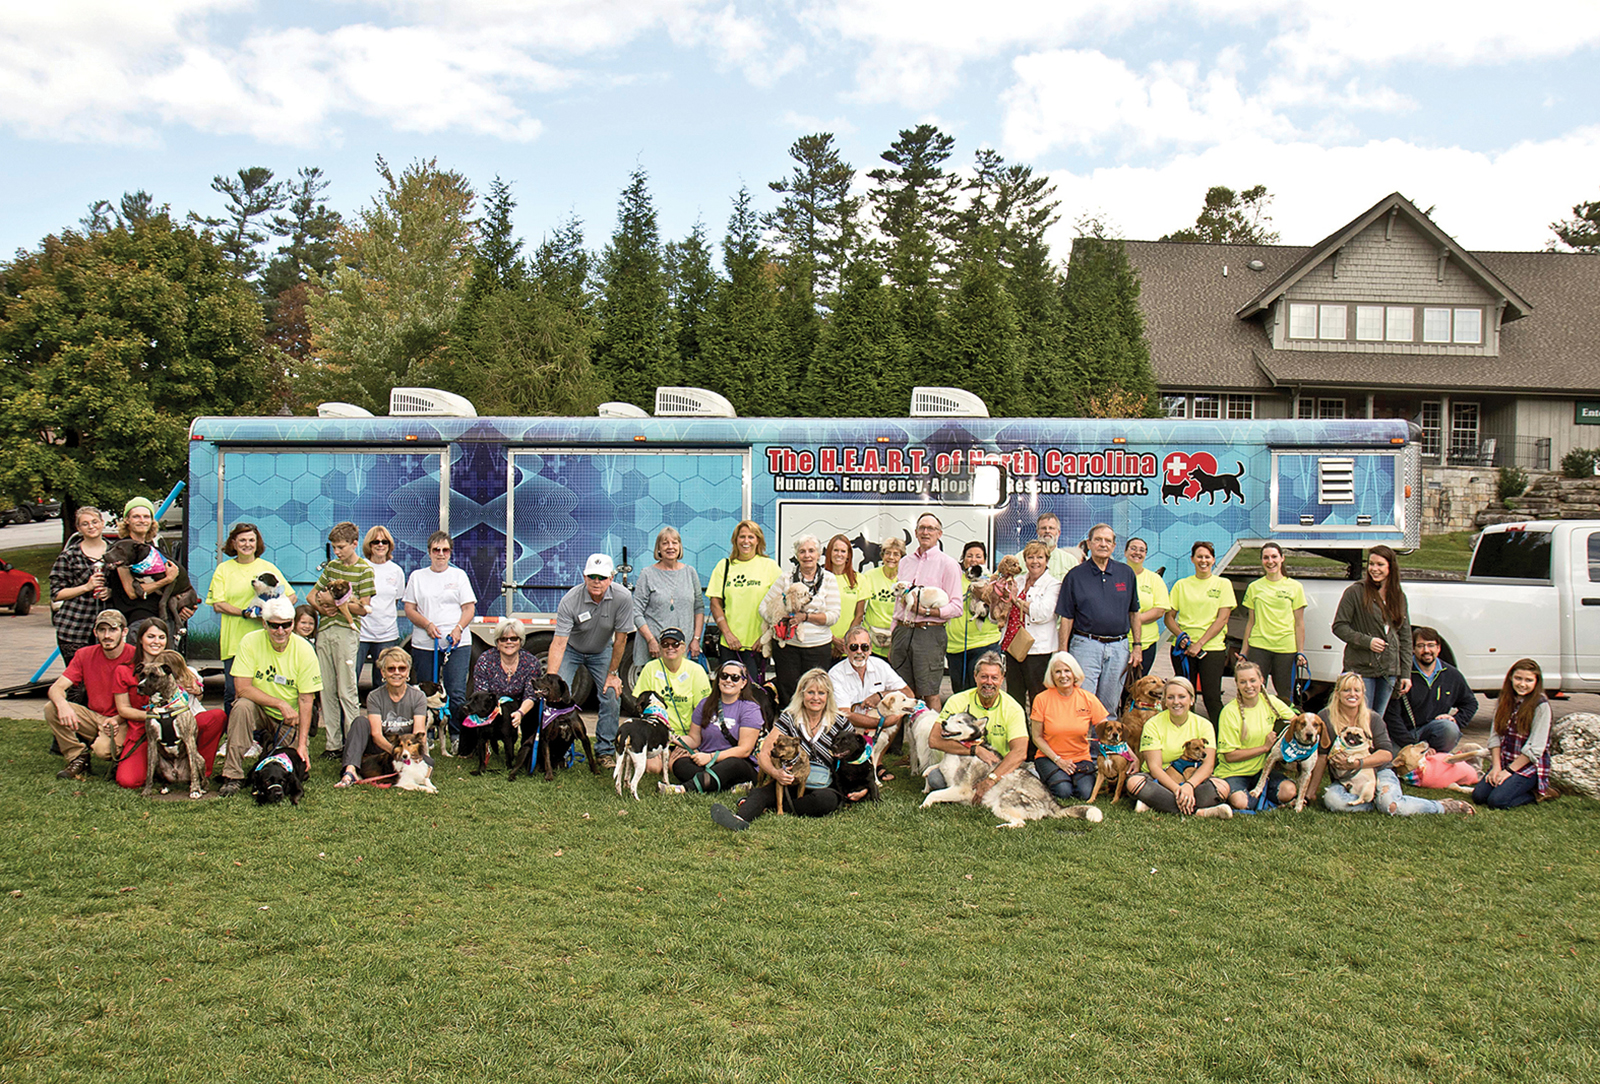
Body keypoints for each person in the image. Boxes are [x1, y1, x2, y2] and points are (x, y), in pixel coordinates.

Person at [710, 668, 863, 829]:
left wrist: (863, 787)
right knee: (763, 793)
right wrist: (776, 773)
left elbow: (860, 756)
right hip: (788, 780)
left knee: (825, 801)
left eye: (821, 693)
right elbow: (764, 753)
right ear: (802, 694)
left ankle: (775, 806)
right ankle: (738, 819)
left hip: (823, 783)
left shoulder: (840, 722)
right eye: (810, 692)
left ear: (828, 696)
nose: (816, 698)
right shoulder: (789, 717)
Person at [1314, 671, 1473, 816]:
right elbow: (1321, 756)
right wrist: (1310, 793)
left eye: (1357, 690)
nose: (1352, 694)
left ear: (1363, 694)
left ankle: (1441, 806)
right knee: (1333, 801)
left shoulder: (1372, 718)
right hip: (1346, 780)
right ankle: (1378, 802)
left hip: (1379, 771)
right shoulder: (1325, 717)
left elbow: (1386, 753)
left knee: (1393, 806)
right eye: (1346, 690)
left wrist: (1358, 763)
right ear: (1337, 693)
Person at [217, 597, 323, 797]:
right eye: (274, 625)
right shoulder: (250, 641)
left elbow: (306, 700)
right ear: (264, 624)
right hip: (260, 708)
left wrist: (302, 745)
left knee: (291, 765)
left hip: (290, 717)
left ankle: (270, 746)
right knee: (241, 706)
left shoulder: (305, 650)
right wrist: (279, 703)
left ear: (293, 623)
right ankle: (232, 775)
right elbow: (242, 688)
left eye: (286, 625)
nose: (280, 631)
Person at [110, 618, 227, 789]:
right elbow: (123, 709)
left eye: (161, 637)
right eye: (150, 636)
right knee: (129, 780)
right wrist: (160, 717)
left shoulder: (174, 665)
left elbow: (194, 697)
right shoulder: (126, 670)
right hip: (144, 730)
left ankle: (199, 771)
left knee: (215, 717)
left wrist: (198, 691)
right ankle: (157, 772)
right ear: (140, 639)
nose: (156, 642)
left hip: (180, 726)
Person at [546, 553, 633, 768]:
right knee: (557, 698)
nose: (597, 581)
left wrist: (613, 675)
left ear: (611, 578)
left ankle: (604, 751)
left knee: (611, 695)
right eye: (592, 576)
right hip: (571, 650)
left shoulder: (623, 598)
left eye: (602, 577)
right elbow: (558, 643)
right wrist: (551, 680)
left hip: (602, 651)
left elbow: (621, 639)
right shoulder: (570, 600)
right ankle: (559, 750)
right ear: (584, 576)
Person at [204, 521, 296, 717]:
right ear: (234, 543)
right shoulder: (223, 569)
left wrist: (271, 610)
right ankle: (234, 737)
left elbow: (291, 596)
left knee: (263, 690)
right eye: (242, 540)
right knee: (233, 691)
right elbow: (218, 604)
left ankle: (261, 737)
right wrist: (245, 613)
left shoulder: (267, 567)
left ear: (257, 543)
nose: (247, 544)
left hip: (264, 640)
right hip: (234, 642)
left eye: (251, 540)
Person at [1056, 523, 1141, 713]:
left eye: (1108, 541)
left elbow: (1134, 612)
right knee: (1082, 703)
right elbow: (1067, 617)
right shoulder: (1075, 576)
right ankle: (1083, 741)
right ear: (1089, 543)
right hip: (1086, 645)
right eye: (1098, 540)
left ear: (1114, 545)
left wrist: (1137, 646)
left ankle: (1104, 742)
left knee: (1109, 705)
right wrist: (1062, 652)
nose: (1103, 544)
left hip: (1119, 647)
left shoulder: (1126, 573)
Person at [924, 652, 1030, 803]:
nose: (989, 682)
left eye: (994, 677)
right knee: (936, 780)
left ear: (1002, 678)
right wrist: (975, 750)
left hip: (998, 768)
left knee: (1032, 776)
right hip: (962, 766)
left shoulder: (1013, 708)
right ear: (975, 676)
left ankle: (979, 793)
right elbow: (934, 740)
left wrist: (991, 779)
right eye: (984, 676)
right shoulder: (957, 701)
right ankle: (970, 793)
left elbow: (1020, 752)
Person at [402, 531, 476, 743]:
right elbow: (409, 608)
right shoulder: (417, 576)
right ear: (429, 552)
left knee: (456, 691)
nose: (441, 554)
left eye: (445, 550)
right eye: (436, 550)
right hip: (425, 643)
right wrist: (426, 624)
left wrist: (458, 628)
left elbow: (469, 608)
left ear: (450, 553)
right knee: (426, 691)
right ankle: (428, 734)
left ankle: (456, 735)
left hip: (456, 643)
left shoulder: (459, 576)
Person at [45, 609, 136, 780]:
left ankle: (122, 754)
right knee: (52, 708)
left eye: (113, 629)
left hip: (122, 718)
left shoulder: (135, 656)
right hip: (94, 716)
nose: (107, 635)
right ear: (95, 632)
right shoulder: (84, 654)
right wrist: (63, 706)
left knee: (103, 751)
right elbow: (56, 688)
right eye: (102, 630)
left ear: (124, 632)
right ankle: (78, 757)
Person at [310, 521, 375, 760]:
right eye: (334, 547)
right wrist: (323, 608)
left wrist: (336, 603)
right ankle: (332, 745)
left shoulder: (365, 570)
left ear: (354, 544)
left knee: (347, 689)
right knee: (326, 688)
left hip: (347, 633)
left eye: (340, 547)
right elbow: (311, 596)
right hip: (325, 631)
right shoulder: (331, 567)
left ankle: (353, 743)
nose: (337, 552)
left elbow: (365, 608)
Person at [1125, 676, 1234, 818]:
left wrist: (1189, 786)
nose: (1176, 702)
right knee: (1134, 782)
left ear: (1192, 699)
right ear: (1164, 700)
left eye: (1182, 697)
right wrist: (1177, 789)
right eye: (1170, 697)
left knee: (1223, 787)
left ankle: (1157, 803)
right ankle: (1199, 811)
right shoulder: (1153, 724)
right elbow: (1155, 767)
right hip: (1160, 780)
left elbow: (1208, 765)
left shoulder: (1204, 725)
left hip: (1193, 780)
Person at [890, 513, 963, 712]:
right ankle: (900, 743)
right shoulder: (905, 562)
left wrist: (927, 611)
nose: (925, 532)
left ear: (939, 534)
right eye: (922, 528)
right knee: (901, 692)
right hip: (903, 632)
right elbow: (900, 602)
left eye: (931, 528)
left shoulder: (948, 564)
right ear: (915, 533)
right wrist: (894, 633)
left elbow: (957, 607)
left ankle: (932, 741)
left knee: (930, 692)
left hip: (929, 633)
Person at [660, 660, 764, 795]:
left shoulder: (750, 709)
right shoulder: (705, 704)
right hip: (706, 761)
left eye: (735, 677)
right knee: (680, 764)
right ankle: (724, 785)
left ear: (743, 683)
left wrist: (711, 757)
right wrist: (670, 737)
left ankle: (683, 789)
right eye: (724, 676)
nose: (728, 680)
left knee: (731, 764)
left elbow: (744, 750)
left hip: (738, 763)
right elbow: (694, 739)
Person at [1331, 545, 1411, 719]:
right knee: (1359, 717)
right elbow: (1339, 626)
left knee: (1376, 719)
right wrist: (1367, 641)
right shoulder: (1355, 592)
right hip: (1361, 668)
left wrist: (1405, 674)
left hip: (1389, 669)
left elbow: (1405, 636)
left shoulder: (1399, 596)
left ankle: (1374, 746)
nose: (1374, 569)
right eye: (1372, 564)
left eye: (1380, 565)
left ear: (1390, 567)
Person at [762, 534, 841, 705]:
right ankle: (788, 730)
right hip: (787, 650)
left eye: (811, 551)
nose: (807, 555)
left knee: (816, 694)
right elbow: (764, 608)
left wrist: (805, 617)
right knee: (788, 693)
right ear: (797, 555)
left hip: (818, 648)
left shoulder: (829, 579)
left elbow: (833, 615)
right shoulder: (785, 578)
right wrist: (782, 618)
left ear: (819, 555)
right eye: (802, 551)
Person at [1165, 540, 1236, 724]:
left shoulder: (1223, 584)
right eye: (1199, 557)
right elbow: (1169, 617)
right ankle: (1185, 738)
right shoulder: (1182, 585)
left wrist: (1199, 644)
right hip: (1183, 650)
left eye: (1207, 557)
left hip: (1210, 650)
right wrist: (1181, 636)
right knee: (1183, 698)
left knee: (1212, 698)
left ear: (1213, 560)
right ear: (1192, 559)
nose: (1203, 560)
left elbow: (1222, 619)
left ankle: (1221, 741)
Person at [829, 625, 913, 780]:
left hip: (877, 722)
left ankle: (878, 762)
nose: (859, 652)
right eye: (854, 647)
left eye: (864, 647)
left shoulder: (880, 665)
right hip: (849, 726)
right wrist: (880, 722)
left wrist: (880, 695)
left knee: (898, 711)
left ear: (870, 648)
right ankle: (860, 763)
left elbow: (908, 693)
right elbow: (845, 713)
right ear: (846, 649)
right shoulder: (835, 673)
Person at [338, 647, 430, 788]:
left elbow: (419, 733)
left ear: (408, 672)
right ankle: (350, 770)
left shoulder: (418, 697)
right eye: (391, 669)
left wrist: (411, 754)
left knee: (426, 765)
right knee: (360, 722)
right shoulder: (374, 696)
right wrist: (396, 753)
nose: (397, 673)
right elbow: (376, 734)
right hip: (382, 748)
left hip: (407, 748)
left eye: (402, 668)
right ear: (383, 672)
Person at [1215, 658, 1299, 810]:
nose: (1249, 686)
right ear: (1237, 684)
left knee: (1290, 790)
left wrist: (1285, 741)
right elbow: (1230, 756)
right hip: (1234, 772)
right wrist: (1264, 748)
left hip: (1262, 770)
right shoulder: (1229, 712)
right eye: (1243, 682)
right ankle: (1264, 803)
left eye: (1253, 680)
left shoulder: (1271, 701)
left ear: (1262, 680)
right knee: (1241, 802)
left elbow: (1297, 723)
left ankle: (1263, 801)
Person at [706, 519, 781, 684]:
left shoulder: (770, 567)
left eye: (751, 537)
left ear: (758, 540)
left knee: (753, 695)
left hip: (757, 646)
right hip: (730, 645)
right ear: (735, 540)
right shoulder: (724, 566)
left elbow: (779, 606)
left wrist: (765, 638)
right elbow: (715, 603)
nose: (746, 541)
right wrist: (727, 634)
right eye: (742, 537)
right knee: (727, 690)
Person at [1472, 659, 1553, 809]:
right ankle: (1509, 784)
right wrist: (1496, 767)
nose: (1522, 684)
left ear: (1536, 682)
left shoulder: (1541, 706)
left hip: (1528, 765)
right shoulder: (1505, 700)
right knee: (1479, 796)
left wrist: (1509, 772)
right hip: (1505, 761)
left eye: (1528, 680)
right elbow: (1495, 737)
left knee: (1497, 801)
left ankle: (1537, 793)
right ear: (1510, 678)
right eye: (1518, 678)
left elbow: (1535, 748)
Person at [1383, 626, 1477, 752]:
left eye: (1431, 645)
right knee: (1387, 764)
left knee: (1449, 728)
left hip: (1434, 730)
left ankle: (1437, 759)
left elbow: (1470, 703)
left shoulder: (1451, 675)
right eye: (1421, 646)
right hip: (1404, 736)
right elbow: (1391, 716)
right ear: (1413, 649)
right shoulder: (1403, 675)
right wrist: (1414, 747)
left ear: (1439, 648)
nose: (1426, 650)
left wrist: (1457, 720)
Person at [1030, 652, 1107, 802]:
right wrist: (1058, 760)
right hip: (1049, 757)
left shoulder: (1088, 698)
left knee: (1085, 793)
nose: (1063, 676)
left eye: (1067, 671)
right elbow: (1036, 737)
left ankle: (1068, 777)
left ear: (1074, 673)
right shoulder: (1041, 699)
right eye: (1057, 672)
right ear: (1051, 676)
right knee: (1063, 791)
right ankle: (1050, 776)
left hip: (1080, 758)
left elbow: (1107, 729)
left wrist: (1129, 755)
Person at [1238, 542, 1307, 703]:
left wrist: (1300, 651)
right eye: (1266, 557)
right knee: (1254, 691)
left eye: (1274, 557)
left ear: (1282, 558)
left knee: (1285, 695)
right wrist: (1244, 652)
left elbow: (1299, 623)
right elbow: (1250, 622)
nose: (1270, 561)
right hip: (1259, 647)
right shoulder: (1254, 587)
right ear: (1261, 561)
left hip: (1285, 648)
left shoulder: (1295, 587)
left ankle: (1284, 726)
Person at [107, 496, 189, 630]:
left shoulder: (154, 550)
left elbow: (176, 586)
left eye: (146, 517)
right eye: (136, 517)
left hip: (163, 618)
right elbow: (132, 592)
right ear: (127, 520)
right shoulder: (120, 550)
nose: (142, 520)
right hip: (138, 619)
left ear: (152, 521)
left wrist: (185, 606)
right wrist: (167, 580)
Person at [632, 527, 706, 673]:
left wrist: (696, 639)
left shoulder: (690, 572)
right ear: (658, 548)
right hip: (656, 649)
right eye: (665, 543)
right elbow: (636, 611)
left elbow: (699, 608)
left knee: (681, 691)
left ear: (680, 547)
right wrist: (651, 641)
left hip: (683, 648)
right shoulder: (647, 574)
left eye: (675, 542)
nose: (670, 547)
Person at [49, 506, 111, 673]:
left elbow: (127, 586)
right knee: (78, 681)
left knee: (105, 677)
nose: (91, 526)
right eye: (85, 524)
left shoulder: (115, 552)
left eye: (94, 522)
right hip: (75, 626)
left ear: (102, 523)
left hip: (108, 627)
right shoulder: (69, 556)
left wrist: (110, 592)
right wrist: (86, 587)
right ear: (78, 528)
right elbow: (56, 593)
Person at [1002, 540, 1060, 711]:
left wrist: (1015, 600)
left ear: (1047, 560)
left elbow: (1042, 613)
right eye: (1030, 557)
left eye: (1040, 557)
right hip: (1013, 646)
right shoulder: (1017, 581)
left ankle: (1037, 738)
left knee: (1038, 698)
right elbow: (1003, 609)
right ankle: (1020, 736)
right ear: (1025, 560)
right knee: (1014, 696)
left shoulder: (1054, 585)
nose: (1035, 561)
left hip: (1038, 651)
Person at [632, 626, 711, 737]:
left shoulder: (696, 671)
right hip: (656, 735)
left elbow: (703, 711)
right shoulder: (650, 668)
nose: (670, 648)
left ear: (684, 648)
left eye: (675, 644)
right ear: (659, 648)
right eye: (665, 644)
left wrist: (691, 740)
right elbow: (640, 706)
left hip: (686, 736)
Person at [467, 616, 542, 733]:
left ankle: (529, 746)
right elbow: (481, 694)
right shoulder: (485, 660)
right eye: (503, 639)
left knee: (535, 708)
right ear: (497, 642)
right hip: (492, 707)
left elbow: (530, 695)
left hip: (520, 706)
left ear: (520, 641)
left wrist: (520, 713)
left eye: (513, 639)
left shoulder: (531, 662)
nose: (509, 642)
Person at [946, 540, 1003, 694]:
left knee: (984, 689)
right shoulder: (953, 578)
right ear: (963, 559)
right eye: (969, 556)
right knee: (960, 691)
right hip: (956, 646)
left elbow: (1001, 608)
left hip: (985, 644)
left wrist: (984, 596)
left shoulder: (993, 580)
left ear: (984, 560)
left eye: (978, 556)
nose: (973, 559)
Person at [355, 525, 406, 689]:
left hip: (386, 635)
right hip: (360, 633)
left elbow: (395, 601)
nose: (380, 545)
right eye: (375, 541)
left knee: (383, 684)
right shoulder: (360, 567)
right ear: (368, 545)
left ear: (389, 545)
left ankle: (381, 715)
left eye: (384, 541)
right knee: (351, 681)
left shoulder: (396, 571)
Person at [1124, 536, 1169, 679]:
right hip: (1117, 643)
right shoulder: (1115, 575)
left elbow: (1159, 610)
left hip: (1145, 644)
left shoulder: (1154, 579)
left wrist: (1132, 620)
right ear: (1125, 552)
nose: (1137, 552)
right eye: (1133, 548)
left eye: (1142, 550)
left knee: (1136, 688)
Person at [857, 536, 905, 659]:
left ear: (901, 557)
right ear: (882, 556)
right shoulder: (869, 576)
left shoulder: (905, 580)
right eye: (887, 553)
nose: (891, 557)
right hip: (872, 640)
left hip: (896, 641)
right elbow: (860, 608)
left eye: (896, 554)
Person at [823, 534, 867, 660]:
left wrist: (845, 641)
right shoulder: (820, 578)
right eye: (835, 550)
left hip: (848, 647)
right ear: (829, 553)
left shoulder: (859, 579)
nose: (839, 554)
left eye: (843, 551)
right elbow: (816, 613)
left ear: (848, 555)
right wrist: (832, 640)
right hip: (823, 643)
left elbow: (859, 615)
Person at [1013, 512, 1080, 579]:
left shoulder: (1071, 562)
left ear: (1058, 533)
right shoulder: (1019, 559)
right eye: (1043, 528)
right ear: (1037, 532)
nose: (1047, 531)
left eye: (1051, 528)